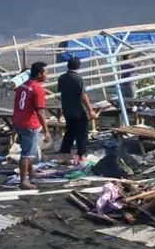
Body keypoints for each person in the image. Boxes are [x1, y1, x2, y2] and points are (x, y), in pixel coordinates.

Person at [13, 62, 51, 190]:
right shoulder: (37, 89)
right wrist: (46, 130)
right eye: (45, 72)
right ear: (39, 74)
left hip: (18, 121)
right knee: (27, 154)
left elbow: (13, 84)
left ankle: (31, 173)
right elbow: (40, 111)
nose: (47, 75)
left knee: (28, 151)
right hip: (29, 124)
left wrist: (22, 74)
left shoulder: (22, 85)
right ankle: (23, 181)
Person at [58, 57, 96, 165]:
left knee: (69, 132)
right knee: (82, 133)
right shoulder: (78, 79)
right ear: (78, 66)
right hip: (78, 110)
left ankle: (64, 154)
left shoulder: (62, 78)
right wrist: (90, 110)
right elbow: (83, 95)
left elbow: (62, 93)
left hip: (67, 109)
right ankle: (81, 155)